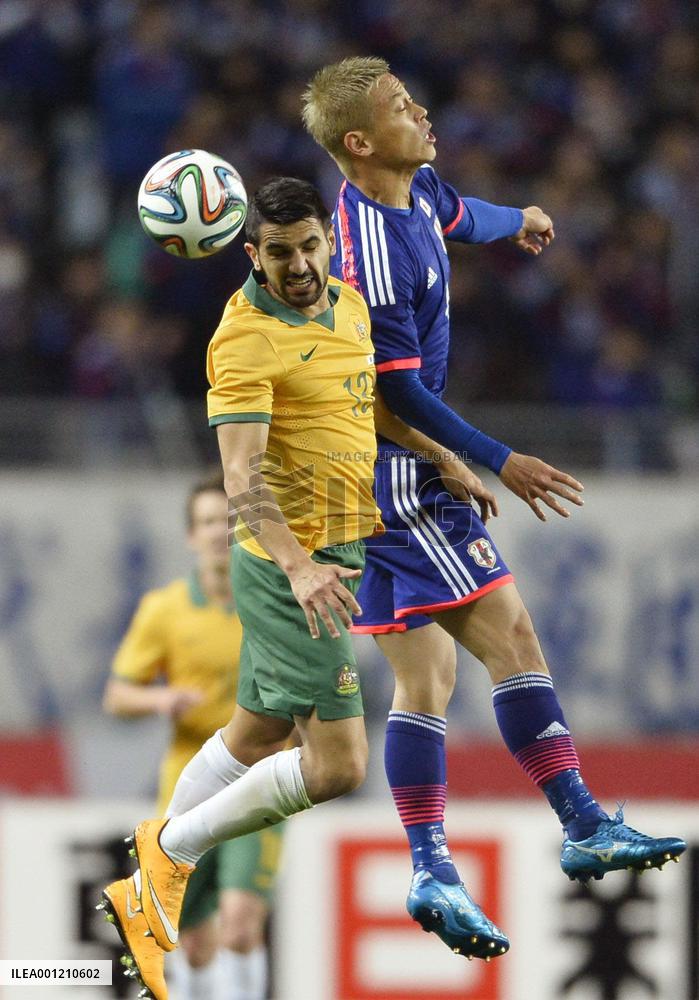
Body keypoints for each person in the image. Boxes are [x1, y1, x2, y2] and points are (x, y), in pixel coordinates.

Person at [302, 56, 686, 958]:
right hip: (392, 470)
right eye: (401, 107)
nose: (422, 110)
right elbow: (394, 394)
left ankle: (432, 869)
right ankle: (583, 820)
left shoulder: (417, 190)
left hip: (366, 473)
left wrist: (524, 220)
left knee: (425, 679)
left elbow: (459, 212)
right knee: (511, 636)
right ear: (359, 143)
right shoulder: (364, 253)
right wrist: (492, 457)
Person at [98, 177, 505, 1000]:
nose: (297, 266)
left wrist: (435, 452)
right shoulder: (242, 339)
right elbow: (241, 478)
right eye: (278, 253)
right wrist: (297, 566)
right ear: (252, 254)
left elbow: (363, 404)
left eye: (309, 246)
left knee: (254, 731)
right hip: (291, 565)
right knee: (337, 765)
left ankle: (151, 872)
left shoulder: (350, 306)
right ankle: (166, 860)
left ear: (327, 241)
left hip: (342, 551)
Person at [101, 473, 281, 1000]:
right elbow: (116, 694)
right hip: (190, 783)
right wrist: (161, 699)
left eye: (229, 521)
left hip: (260, 782)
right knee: (194, 941)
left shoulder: (274, 601)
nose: (217, 532)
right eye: (206, 522)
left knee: (243, 922)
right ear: (190, 536)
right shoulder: (166, 609)